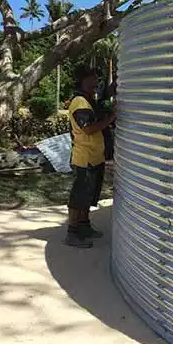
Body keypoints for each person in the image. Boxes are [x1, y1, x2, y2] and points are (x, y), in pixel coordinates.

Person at [66, 66, 116, 248]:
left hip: (94, 156)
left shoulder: (89, 99)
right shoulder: (79, 102)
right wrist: (112, 117)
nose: (96, 82)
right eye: (94, 78)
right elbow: (88, 128)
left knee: (88, 196)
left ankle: (84, 226)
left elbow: (103, 96)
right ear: (84, 80)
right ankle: (72, 233)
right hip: (84, 158)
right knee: (79, 197)